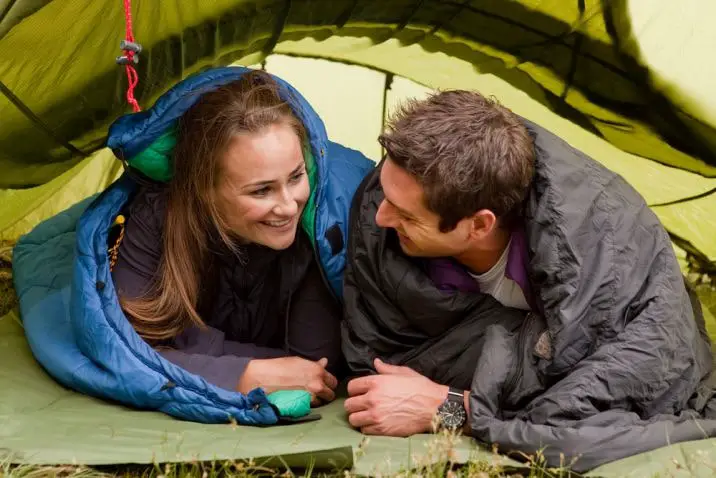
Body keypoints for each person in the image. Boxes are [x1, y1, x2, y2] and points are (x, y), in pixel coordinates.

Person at [340, 89, 716, 471]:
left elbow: (610, 394)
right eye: (387, 196)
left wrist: (451, 407)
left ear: (479, 224)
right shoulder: (385, 219)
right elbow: (377, 346)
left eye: (407, 215)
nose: (382, 218)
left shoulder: (602, 246)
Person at [111, 69, 373, 406]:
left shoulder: (320, 226)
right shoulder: (158, 216)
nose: (289, 205)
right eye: (262, 190)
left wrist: (184, 351)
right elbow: (121, 342)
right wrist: (243, 374)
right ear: (205, 190)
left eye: (296, 177)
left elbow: (312, 364)